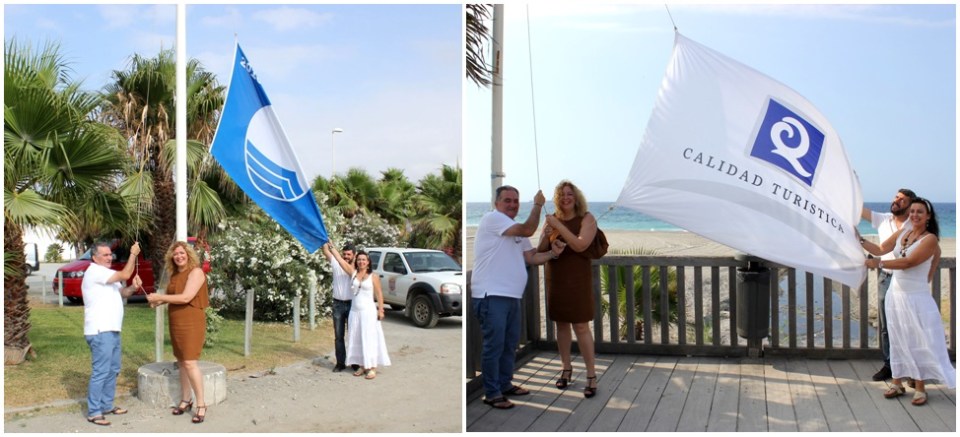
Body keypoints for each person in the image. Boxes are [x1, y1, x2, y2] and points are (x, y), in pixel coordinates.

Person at [471, 186, 565, 409]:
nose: (512, 204)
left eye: (515, 201)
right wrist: (538, 205)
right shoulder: (493, 219)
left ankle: (504, 384)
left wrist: (553, 253)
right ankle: (492, 393)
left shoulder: (512, 227)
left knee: (509, 344)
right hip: (490, 294)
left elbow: (531, 257)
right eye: (507, 200)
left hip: (511, 296)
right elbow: (527, 228)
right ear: (496, 203)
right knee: (494, 346)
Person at [861, 198, 956, 406]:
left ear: (928, 216)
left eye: (919, 212)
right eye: (912, 211)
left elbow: (908, 262)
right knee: (897, 337)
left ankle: (920, 387)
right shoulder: (904, 232)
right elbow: (880, 248)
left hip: (916, 298)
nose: (914, 215)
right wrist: (858, 239)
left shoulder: (930, 239)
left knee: (917, 340)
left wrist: (878, 263)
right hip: (896, 295)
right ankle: (897, 382)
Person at [537, 180, 599, 398]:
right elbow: (540, 250)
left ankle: (591, 375)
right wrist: (546, 235)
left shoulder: (587, 218)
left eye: (569, 193)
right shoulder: (554, 219)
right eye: (561, 194)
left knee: (581, 326)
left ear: (576, 196)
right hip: (556, 277)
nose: (565, 197)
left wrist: (559, 226)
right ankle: (566, 368)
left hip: (578, 279)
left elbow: (581, 244)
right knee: (561, 325)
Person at [146, 241, 211, 423]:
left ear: (188, 254)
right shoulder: (174, 275)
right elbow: (167, 298)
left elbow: (186, 297)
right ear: (171, 257)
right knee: (182, 362)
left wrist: (160, 297)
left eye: (182, 253)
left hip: (191, 322)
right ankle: (185, 399)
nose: (179, 256)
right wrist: (153, 300)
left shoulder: (196, 272)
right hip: (176, 322)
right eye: (176, 254)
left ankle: (201, 404)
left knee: (190, 362)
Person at [81, 241, 142, 426]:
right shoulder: (94, 271)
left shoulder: (106, 274)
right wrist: (133, 254)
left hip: (113, 329)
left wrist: (133, 288)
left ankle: (106, 405)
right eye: (105, 255)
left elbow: (122, 292)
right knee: (101, 371)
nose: (110, 257)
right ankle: (94, 412)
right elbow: (125, 273)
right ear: (94, 257)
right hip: (100, 330)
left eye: (110, 254)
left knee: (113, 370)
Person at [860, 188, 915, 381]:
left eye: (902, 200)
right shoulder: (883, 219)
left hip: (906, 279)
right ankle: (889, 365)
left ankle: (909, 368)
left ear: (910, 206)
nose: (896, 201)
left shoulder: (913, 224)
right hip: (886, 276)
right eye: (896, 197)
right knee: (886, 325)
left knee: (906, 324)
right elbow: (858, 210)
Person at [337, 250, 391, 379]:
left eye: (363, 260)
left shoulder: (373, 276)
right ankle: (362, 365)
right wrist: (331, 246)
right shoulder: (353, 273)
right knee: (357, 338)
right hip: (355, 312)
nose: (361, 262)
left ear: (368, 262)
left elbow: (379, 295)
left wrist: (381, 310)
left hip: (368, 313)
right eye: (359, 259)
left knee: (369, 338)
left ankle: (372, 367)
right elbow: (340, 261)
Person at [322, 242, 356, 372]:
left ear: (354, 255)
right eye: (344, 254)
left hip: (352, 304)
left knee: (353, 335)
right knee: (338, 335)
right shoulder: (335, 262)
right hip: (338, 304)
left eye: (349, 254)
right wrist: (325, 240)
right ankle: (340, 363)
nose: (346, 256)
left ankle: (355, 362)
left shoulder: (355, 268)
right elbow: (326, 251)